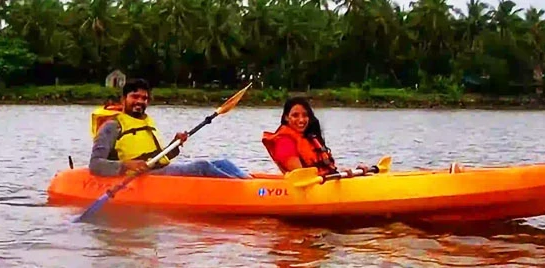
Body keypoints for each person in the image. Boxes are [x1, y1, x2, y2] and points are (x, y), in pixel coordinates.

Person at [89, 78, 250, 179]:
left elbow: (160, 157)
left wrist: (175, 143)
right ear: (123, 99)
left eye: (144, 98)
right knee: (202, 166)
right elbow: (95, 165)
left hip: (157, 170)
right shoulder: (111, 126)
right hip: (141, 176)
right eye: (135, 97)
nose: (140, 101)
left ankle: (253, 184)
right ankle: (248, 193)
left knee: (223, 162)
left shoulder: (145, 123)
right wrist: (126, 165)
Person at [262, 96, 368, 176]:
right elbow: (302, 175)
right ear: (286, 118)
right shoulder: (284, 142)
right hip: (307, 187)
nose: (301, 120)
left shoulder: (309, 138)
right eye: (295, 115)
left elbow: (326, 168)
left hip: (324, 181)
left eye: (305, 115)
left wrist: (352, 172)